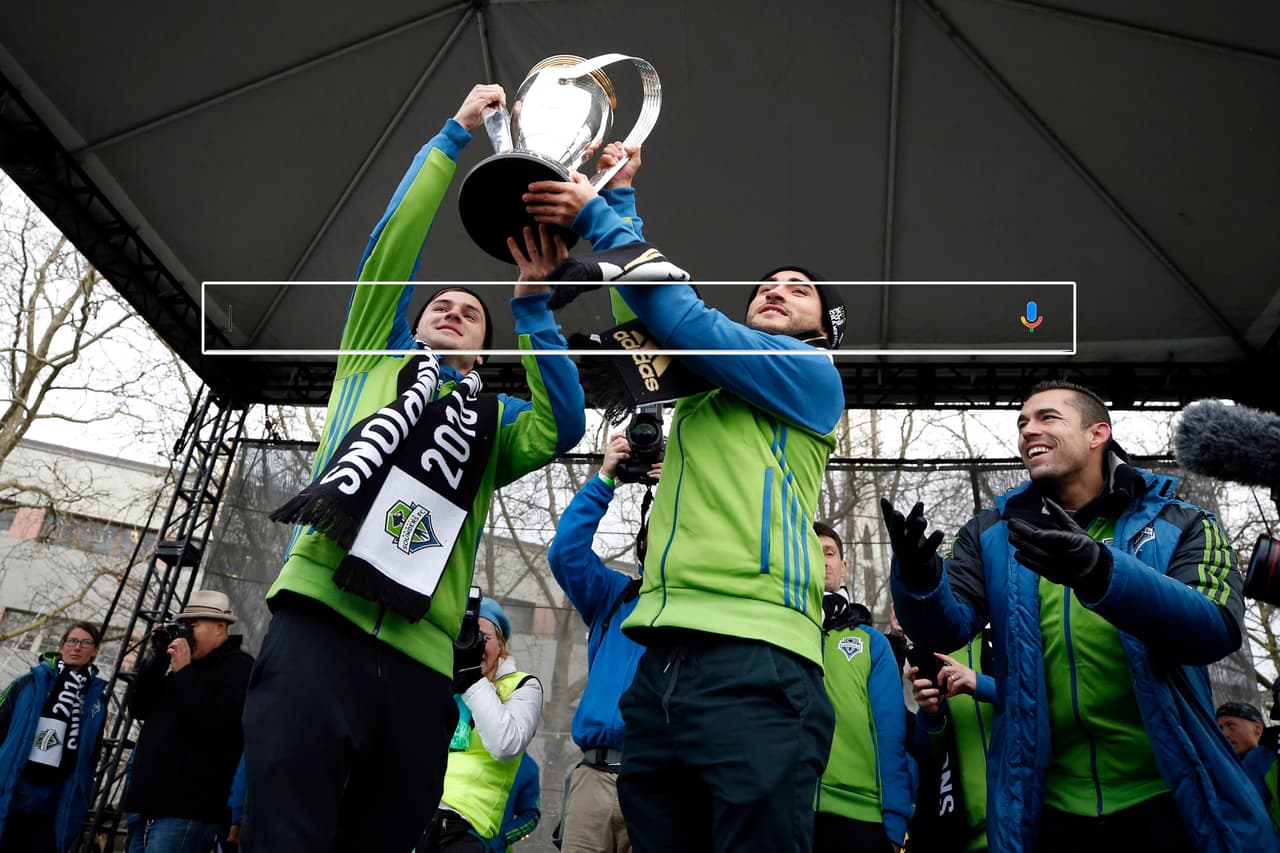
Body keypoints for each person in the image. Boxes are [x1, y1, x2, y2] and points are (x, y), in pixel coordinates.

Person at [240, 81, 645, 853]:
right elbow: (389, 249)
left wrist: (531, 308)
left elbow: (561, 423)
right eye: (439, 305)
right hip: (319, 624)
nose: (453, 308)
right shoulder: (375, 358)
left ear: (485, 352)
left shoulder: (492, 424)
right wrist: (452, 138)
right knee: (284, 832)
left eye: (471, 309)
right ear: (411, 322)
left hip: (423, 662)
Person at [883, 379, 1276, 851]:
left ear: (1098, 434)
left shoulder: (1183, 520)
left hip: (1169, 797)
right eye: (1022, 423)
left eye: (1048, 417)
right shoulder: (990, 533)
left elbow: (1215, 628)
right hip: (1045, 807)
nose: (1029, 430)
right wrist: (918, 580)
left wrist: (1101, 573)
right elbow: (943, 629)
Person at [544, 432, 655, 853]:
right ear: (641, 545)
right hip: (593, 775)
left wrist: (687, 487)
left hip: (658, 781)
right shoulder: (615, 596)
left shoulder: (701, 610)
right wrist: (605, 478)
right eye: (653, 529)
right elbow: (566, 553)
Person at [123, 591, 253, 853]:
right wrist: (157, 659)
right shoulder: (181, 668)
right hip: (146, 806)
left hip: (187, 810)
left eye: (193, 626)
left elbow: (217, 725)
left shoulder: (239, 668)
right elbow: (138, 707)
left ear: (220, 628)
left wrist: (184, 672)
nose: (185, 633)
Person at [812, 521, 913, 853]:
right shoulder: (776, 635)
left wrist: (896, 820)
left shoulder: (872, 643)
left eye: (830, 553)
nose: (824, 560)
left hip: (862, 817)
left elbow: (890, 734)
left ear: (844, 566)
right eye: (814, 551)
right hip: (786, 812)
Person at [421, 599, 542, 852]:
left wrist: (472, 681)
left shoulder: (522, 685)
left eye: (483, 637)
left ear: (501, 645)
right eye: (465, 636)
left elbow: (505, 744)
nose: (474, 645)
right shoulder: (441, 681)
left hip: (465, 831)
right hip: (416, 819)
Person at [0, 622, 107, 853]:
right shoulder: (28, 683)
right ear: (61, 646)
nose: (77, 648)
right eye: (71, 641)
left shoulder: (96, 701)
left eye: (85, 642)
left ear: (95, 650)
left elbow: (92, 753)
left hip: (55, 804)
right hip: (12, 794)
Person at [907, 635, 995, 852]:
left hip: (1027, 828)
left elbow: (1039, 702)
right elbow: (927, 757)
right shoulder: (934, 652)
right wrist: (930, 714)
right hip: (962, 833)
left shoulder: (1007, 632)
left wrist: (980, 683)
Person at [482, 753, 540, 853]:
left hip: (493, 847)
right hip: (455, 836)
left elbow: (531, 815)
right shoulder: (462, 749)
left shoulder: (526, 766)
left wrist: (503, 837)